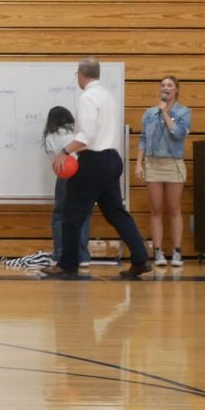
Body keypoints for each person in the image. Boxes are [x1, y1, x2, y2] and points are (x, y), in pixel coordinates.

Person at [42, 57, 152, 281]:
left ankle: (67, 264)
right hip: (112, 160)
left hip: (93, 161)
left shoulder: (87, 97)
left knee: (71, 214)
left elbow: (86, 136)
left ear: (81, 74)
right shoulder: (108, 96)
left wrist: (65, 151)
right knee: (116, 213)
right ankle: (140, 258)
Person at [136, 76, 192, 267]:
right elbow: (143, 138)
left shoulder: (184, 112)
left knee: (174, 208)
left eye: (169, 85)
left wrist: (166, 113)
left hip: (173, 163)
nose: (165, 88)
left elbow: (178, 133)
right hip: (153, 163)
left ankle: (176, 252)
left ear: (176, 89)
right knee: (156, 209)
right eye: (163, 85)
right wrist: (138, 164)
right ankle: (158, 252)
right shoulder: (150, 113)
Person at [45, 106, 91, 268]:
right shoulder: (78, 133)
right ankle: (83, 256)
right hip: (84, 175)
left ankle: (58, 254)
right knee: (83, 215)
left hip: (64, 177)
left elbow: (54, 160)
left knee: (59, 215)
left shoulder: (50, 136)